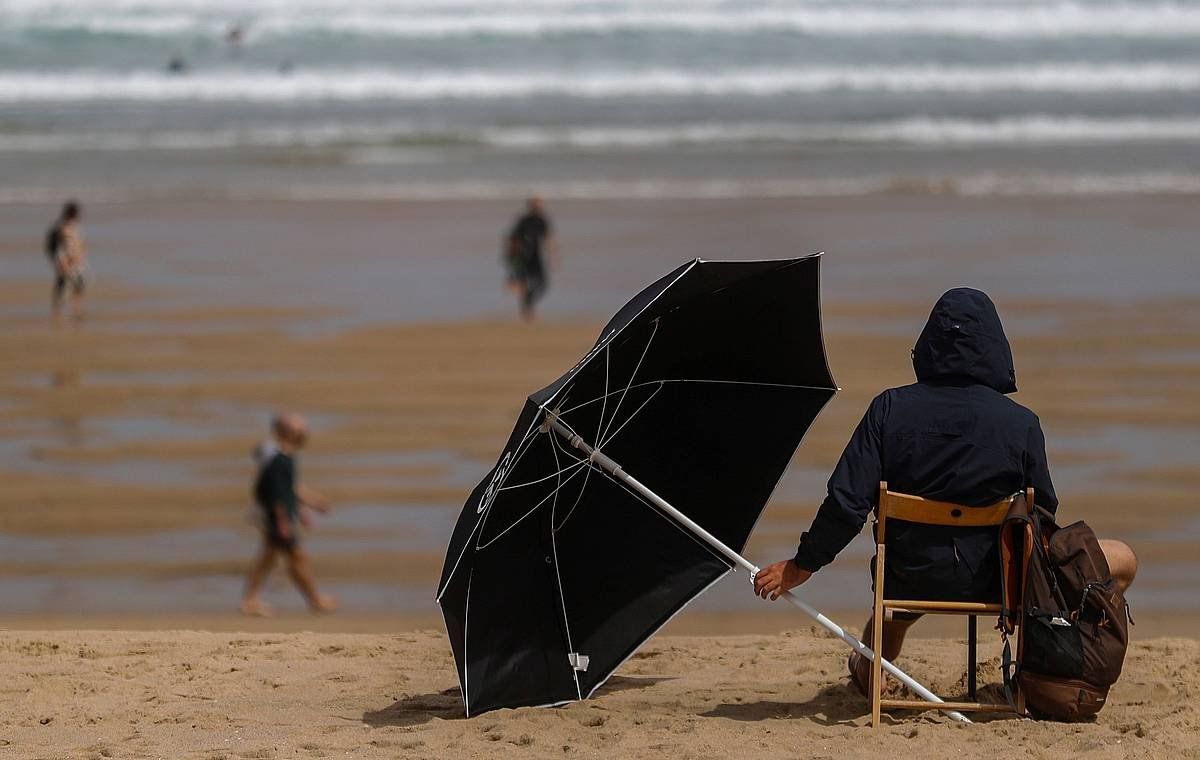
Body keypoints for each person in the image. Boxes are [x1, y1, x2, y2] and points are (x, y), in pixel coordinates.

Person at [752, 288, 1138, 693]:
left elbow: (846, 504)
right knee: (1123, 559)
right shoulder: (1020, 424)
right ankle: (1043, 667)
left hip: (908, 578)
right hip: (1000, 584)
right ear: (995, 348)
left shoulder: (888, 409)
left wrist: (801, 567)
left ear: (929, 344)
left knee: (897, 602)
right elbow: (1042, 514)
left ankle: (869, 668)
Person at [241, 412, 337, 616]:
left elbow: (290, 489)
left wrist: (309, 505)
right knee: (296, 557)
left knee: (270, 558)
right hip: (276, 518)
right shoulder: (280, 460)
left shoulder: (285, 458)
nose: (305, 433)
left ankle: (251, 600)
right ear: (287, 433)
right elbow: (277, 494)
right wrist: (283, 521)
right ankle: (315, 600)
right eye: (300, 429)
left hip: (277, 517)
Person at [504, 196, 556, 320]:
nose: (539, 207)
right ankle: (527, 311)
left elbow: (548, 238)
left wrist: (553, 255)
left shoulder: (542, 220)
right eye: (537, 204)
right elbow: (513, 238)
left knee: (542, 284)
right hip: (523, 257)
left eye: (540, 205)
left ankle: (528, 303)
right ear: (531, 206)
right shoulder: (524, 220)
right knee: (523, 283)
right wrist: (511, 256)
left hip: (536, 257)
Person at [45, 200, 89, 323]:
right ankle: (59, 311)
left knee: (77, 285)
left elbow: (79, 244)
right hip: (65, 260)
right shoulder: (63, 227)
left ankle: (76, 310)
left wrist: (81, 256)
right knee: (63, 285)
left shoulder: (71, 226)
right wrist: (62, 261)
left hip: (75, 261)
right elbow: (61, 247)